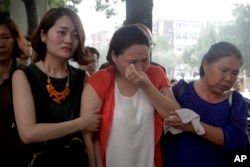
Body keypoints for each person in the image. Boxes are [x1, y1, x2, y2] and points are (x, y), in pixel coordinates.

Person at [11, 7, 101, 167]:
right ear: (43, 35)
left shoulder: (82, 78)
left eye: (75, 35)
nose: (69, 40)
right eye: (62, 32)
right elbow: (28, 133)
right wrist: (80, 123)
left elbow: (90, 133)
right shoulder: (24, 75)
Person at [81, 24, 180, 167]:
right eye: (132, 62)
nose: (140, 68)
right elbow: (88, 135)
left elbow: (175, 115)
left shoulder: (156, 74)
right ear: (114, 56)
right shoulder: (99, 81)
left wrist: (147, 86)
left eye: (145, 59)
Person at [163, 41, 249, 167]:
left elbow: (238, 141)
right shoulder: (181, 91)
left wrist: (194, 126)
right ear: (205, 64)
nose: (229, 78)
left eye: (234, 73)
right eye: (223, 70)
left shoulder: (236, 102)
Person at [0, 11, 30, 166]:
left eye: (6, 38)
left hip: (20, 158)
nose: (1, 44)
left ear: (15, 39)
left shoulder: (27, 77)